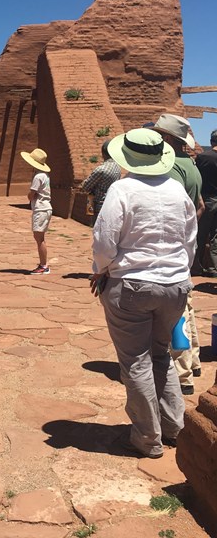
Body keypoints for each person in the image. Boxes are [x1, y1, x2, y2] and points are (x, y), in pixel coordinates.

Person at [91, 128, 196, 459]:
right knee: (161, 353)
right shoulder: (177, 190)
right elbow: (189, 239)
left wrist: (101, 269)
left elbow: (105, 238)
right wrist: (178, 273)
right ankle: (175, 426)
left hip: (133, 284)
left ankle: (146, 437)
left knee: (135, 361)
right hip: (175, 285)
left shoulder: (122, 189)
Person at [153, 114, 203, 394]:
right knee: (188, 304)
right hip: (186, 244)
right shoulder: (191, 165)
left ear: (170, 139)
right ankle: (193, 358)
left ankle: (183, 374)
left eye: (161, 135)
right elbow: (199, 206)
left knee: (177, 314)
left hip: (172, 247)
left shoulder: (171, 168)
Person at [20, 148, 52, 274]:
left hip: (41, 208)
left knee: (39, 238)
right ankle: (43, 263)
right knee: (39, 236)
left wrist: (29, 195)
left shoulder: (38, 176)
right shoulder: (44, 175)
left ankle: (44, 265)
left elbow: (31, 194)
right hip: (44, 207)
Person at [194, 129, 217, 277]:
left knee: (200, 234)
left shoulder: (203, 157)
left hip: (207, 199)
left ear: (211, 141)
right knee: (216, 236)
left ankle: (196, 267)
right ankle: (214, 269)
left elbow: (198, 179)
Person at [80, 140, 121, 225]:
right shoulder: (118, 167)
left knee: (97, 231)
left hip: (99, 205)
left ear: (103, 153)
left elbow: (86, 187)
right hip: (112, 203)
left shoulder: (101, 169)